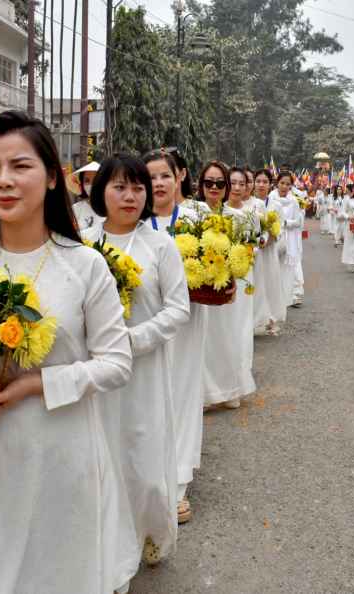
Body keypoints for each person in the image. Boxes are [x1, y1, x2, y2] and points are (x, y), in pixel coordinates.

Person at [0, 110, 138, 593]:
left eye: (20, 166)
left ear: (52, 176)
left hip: (58, 453)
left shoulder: (84, 266)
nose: (4, 181)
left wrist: (41, 384)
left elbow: (117, 363)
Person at [83, 154, 190, 570]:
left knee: (142, 460)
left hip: (142, 371)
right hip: (93, 373)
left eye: (138, 187)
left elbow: (177, 308)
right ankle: (109, 549)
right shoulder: (81, 242)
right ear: (101, 192)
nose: (130, 196)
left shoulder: (159, 244)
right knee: (100, 460)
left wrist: (133, 340)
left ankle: (150, 529)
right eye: (119, 187)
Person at [143, 150, 205, 525]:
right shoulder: (132, 222)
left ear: (179, 177)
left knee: (182, 393)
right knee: (148, 396)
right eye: (150, 177)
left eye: (165, 175)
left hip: (187, 321)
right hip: (144, 324)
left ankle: (179, 479)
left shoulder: (196, 219)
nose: (159, 184)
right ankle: (148, 475)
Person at [198, 162, 257, 410]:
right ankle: (205, 392)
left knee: (228, 335)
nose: (214, 187)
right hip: (199, 288)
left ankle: (230, 387)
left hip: (227, 285)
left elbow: (246, 250)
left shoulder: (235, 216)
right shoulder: (194, 212)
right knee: (203, 339)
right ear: (200, 185)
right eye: (209, 182)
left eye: (220, 183)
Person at [252, 168, 287, 333]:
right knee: (256, 283)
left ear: (270, 184)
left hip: (269, 249)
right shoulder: (249, 203)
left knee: (270, 282)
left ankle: (271, 316)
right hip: (253, 251)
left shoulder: (276, 205)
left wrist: (271, 236)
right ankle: (255, 318)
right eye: (258, 181)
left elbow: (280, 227)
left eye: (265, 182)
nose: (261, 185)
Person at [277, 170, 305, 307]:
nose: (284, 186)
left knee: (290, 267)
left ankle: (293, 294)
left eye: (287, 184)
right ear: (277, 183)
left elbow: (298, 222)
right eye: (282, 183)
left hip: (289, 237)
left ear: (291, 186)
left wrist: (286, 223)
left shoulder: (294, 201)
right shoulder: (271, 199)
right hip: (275, 237)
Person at [71, 161, 102, 230]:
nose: (91, 184)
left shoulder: (113, 208)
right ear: (82, 184)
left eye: (96, 179)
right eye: (87, 181)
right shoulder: (75, 209)